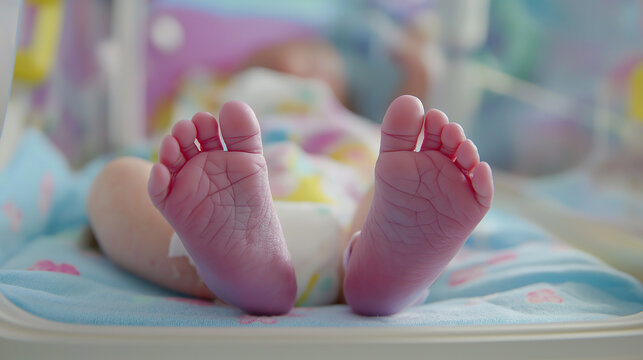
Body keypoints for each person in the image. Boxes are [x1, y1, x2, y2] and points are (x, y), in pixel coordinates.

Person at [86, 38, 493, 317]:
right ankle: (244, 273)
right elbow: (160, 147)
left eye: (315, 62)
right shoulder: (209, 103)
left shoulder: (347, 121)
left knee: (398, 182)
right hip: (219, 205)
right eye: (276, 58)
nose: (295, 64)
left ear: (338, 90)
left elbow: (403, 127)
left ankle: (381, 274)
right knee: (120, 177)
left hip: (346, 218)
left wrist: (417, 70)